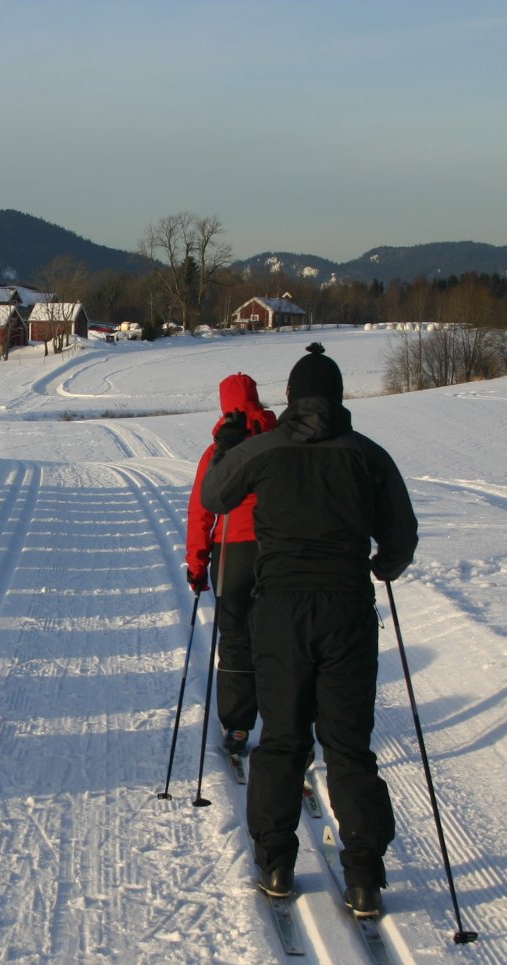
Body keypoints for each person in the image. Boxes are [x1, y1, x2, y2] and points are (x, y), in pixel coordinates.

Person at [200, 342, 418, 918]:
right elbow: (401, 537)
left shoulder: (264, 449)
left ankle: (276, 862)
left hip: (280, 610)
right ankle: (364, 877)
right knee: (347, 745)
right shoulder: (367, 455)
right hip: (347, 609)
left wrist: (226, 447)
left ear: (292, 397)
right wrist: (382, 565)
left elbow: (215, 496)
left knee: (283, 738)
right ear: (339, 397)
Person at [185, 373, 277, 757]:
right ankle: (285, 726)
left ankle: (238, 726)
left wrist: (196, 563)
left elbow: (201, 512)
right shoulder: (280, 440)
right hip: (277, 549)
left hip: (232, 553)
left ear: (225, 406)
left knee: (236, 639)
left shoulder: (217, 451)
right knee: (279, 640)